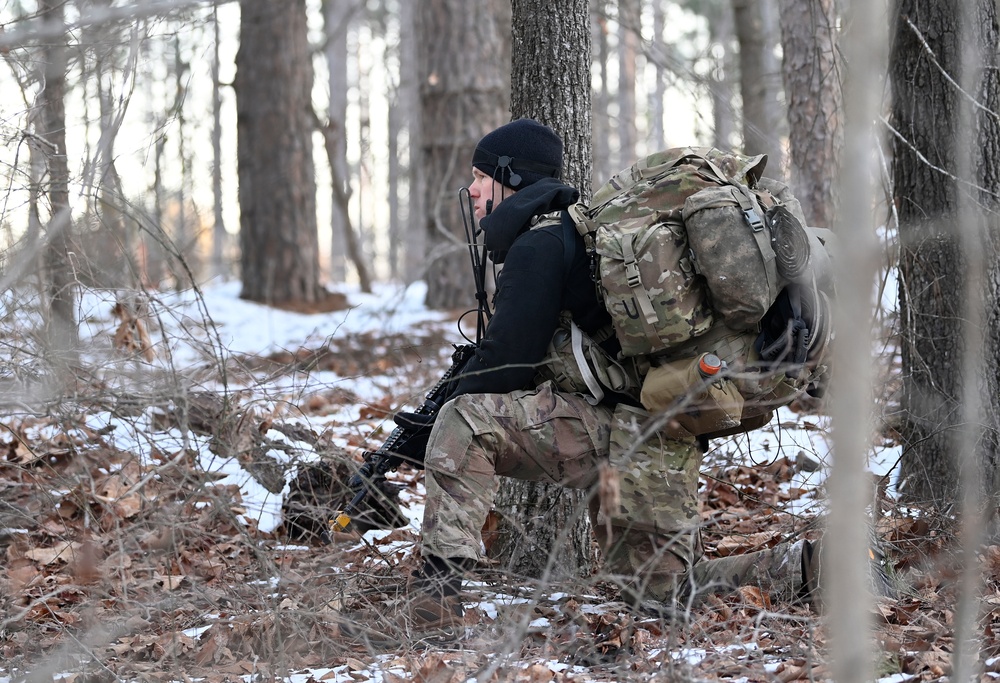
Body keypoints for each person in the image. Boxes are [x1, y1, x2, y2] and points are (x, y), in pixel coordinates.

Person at [354, 118, 820, 644]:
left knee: (464, 419)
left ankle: (434, 601)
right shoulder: (575, 240)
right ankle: (809, 567)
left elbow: (503, 369)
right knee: (658, 595)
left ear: (511, 178)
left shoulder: (540, 247)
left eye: (481, 176)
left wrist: (429, 429)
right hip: (656, 433)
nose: (474, 191)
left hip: (623, 433)